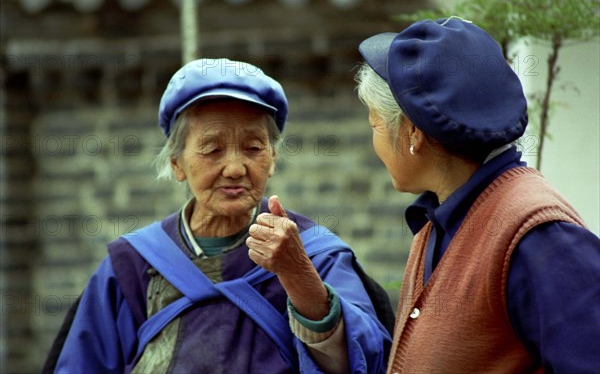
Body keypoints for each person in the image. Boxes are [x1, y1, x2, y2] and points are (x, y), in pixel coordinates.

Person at [52, 58, 391, 373]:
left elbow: (366, 361)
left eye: (253, 148)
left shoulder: (315, 254)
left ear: (272, 158)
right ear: (176, 163)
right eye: (212, 149)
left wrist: (300, 278)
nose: (234, 168)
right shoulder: (131, 266)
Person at [354, 18, 600, 374]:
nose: (373, 139)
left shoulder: (540, 239)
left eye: (375, 124)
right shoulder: (440, 217)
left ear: (412, 133)